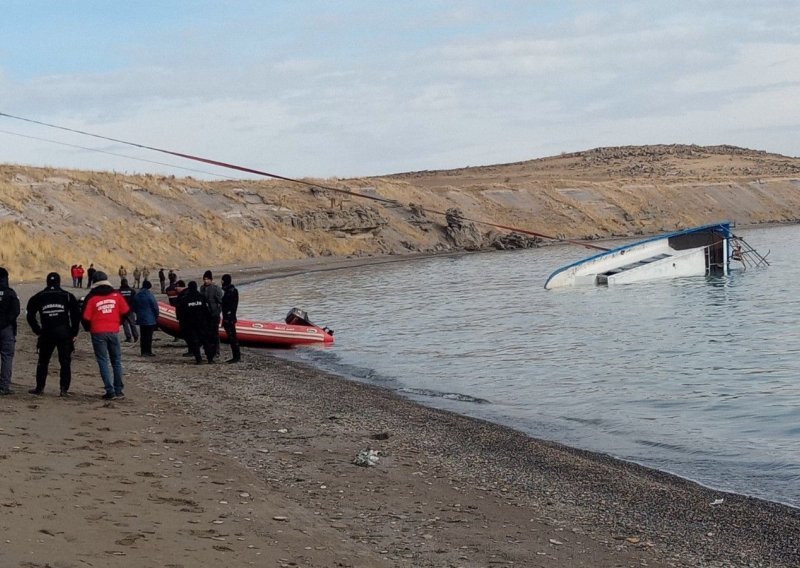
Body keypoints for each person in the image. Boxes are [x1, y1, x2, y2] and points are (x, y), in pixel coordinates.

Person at [25, 272, 81, 396]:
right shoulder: (67, 296)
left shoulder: (39, 296)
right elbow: (76, 315)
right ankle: (64, 390)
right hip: (63, 332)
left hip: (47, 332)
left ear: (47, 282)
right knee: (65, 362)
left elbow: (29, 315)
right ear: (59, 282)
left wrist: (37, 330)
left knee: (43, 361)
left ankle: (39, 388)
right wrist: (73, 332)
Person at [82, 271, 129, 400]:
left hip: (98, 331)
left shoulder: (91, 297)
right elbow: (126, 311)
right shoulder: (116, 295)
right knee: (116, 361)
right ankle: (118, 390)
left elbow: (85, 317)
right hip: (113, 330)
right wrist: (118, 322)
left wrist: (88, 328)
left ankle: (110, 390)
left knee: (103, 361)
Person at [176, 281, 211, 364]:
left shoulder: (185, 298)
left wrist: (181, 322)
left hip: (190, 323)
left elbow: (180, 312)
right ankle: (210, 358)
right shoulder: (201, 297)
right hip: (201, 322)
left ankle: (199, 359)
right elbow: (206, 310)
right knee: (205, 340)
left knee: (194, 341)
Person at [0, 267, 20, 395]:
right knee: (7, 357)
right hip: (6, 329)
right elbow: (16, 311)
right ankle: (4, 386)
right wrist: (7, 322)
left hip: (6, 326)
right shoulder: (10, 293)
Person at [200, 270, 223, 361]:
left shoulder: (216, 288)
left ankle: (217, 351)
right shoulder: (202, 288)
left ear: (211, 279)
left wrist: (217, 312)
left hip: (214, 314)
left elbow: (220, 302)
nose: (206, 281)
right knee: (206, 333)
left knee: (215, 333)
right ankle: (208, 350)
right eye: (204, 279)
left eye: (207, 279)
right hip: (205, 315)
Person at [133, 280, 159, 357]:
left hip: (141, 318)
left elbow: (134, 307)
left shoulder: (137, 295)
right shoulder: (149, 295)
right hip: (150, 319)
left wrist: (138, 313)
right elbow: (155, 307)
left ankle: (143, 351)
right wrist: (156, 316)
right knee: (149, 336)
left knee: (143, 335)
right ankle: (148, 351)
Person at [220, 274, 240, 363]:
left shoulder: (229, 291)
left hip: (229, 316)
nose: (221, 282)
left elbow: (229, 305)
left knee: (232, 337)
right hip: (229, 316)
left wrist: (228, 316)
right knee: (232, 337)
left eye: (222, 280)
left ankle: (236, 357)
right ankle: (236, 356)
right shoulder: (231, 290)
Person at [118, 278, 139, 343]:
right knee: (132, 324)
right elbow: (136, 301)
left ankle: (128, 337)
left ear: (121, 283)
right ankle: (136, 337)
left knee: (125, 324)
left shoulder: (119, 291)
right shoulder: (132, 291)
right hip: (130, 310)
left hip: (122, 311)